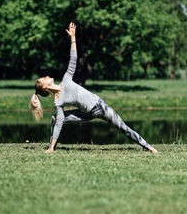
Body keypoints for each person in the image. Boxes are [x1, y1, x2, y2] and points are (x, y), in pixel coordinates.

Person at [30, 22, 158, 153]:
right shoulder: (58, 102)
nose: (46, 75)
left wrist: (73, 38)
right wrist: (51, 148)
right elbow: (58, 124)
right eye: (43, 78)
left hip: (99, 106)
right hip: (85, 114)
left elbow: (73, 58)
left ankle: (148, 147)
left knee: (123, 127)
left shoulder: (66, 80)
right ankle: (51, 147)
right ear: (45, 87)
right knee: (56, 119)